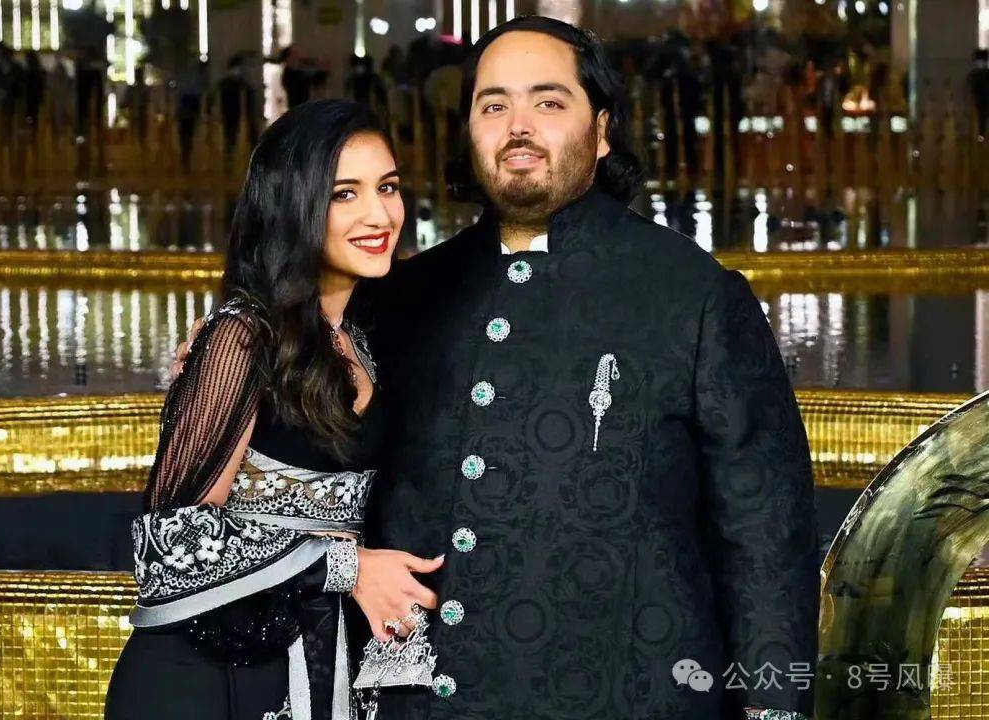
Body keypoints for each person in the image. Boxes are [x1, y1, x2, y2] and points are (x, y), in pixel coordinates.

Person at [175, 17, 818, 720]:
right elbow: (291, 425)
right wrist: (225, 353)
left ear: (603, 130)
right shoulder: (397, 299)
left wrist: (774, 708)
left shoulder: (694, 297)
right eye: (493, 105)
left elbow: (766, 535)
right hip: (417, 704)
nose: (518, 127)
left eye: (549, 101)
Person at [105, 99, 442, 720]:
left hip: (316, 666)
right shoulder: (242, 337)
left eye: (388, 187)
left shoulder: (363, 338)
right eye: (344, 194)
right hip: (208, 679)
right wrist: (345, 567)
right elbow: (166, 546)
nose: (379, 214)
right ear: (292, 204)